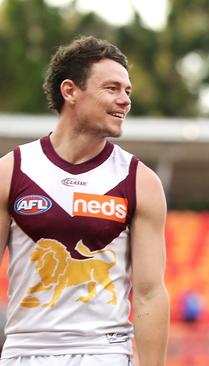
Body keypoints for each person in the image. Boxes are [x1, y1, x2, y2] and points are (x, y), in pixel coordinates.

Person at [0, 36, 169, 366]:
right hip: (24, 351)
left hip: (105, 352)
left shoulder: (140, 180)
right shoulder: (11, 170)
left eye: (128, 91)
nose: (125, 101)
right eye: (112, 88)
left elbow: (150, 293)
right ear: (70, 91)